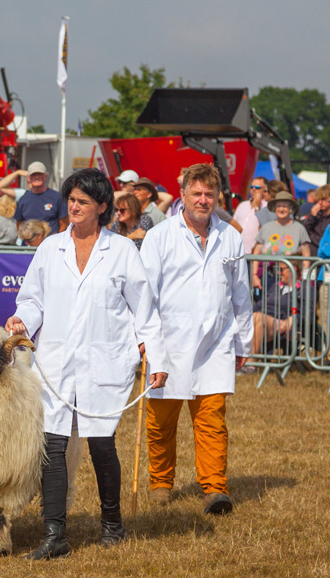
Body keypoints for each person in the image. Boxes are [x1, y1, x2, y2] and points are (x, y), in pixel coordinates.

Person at [6, 168, 168, 557]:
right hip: (58, 361)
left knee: (100, 444)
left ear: (101, 207)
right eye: (71, 200)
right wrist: (22, 320)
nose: (74, 207)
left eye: (82, 201)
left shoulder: (123, 251)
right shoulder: (50, 248)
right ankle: (54, 535)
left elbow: (144, 311)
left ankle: (112, 525)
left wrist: (156, 356)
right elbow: (32, 299)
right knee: (53, 444)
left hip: (105, 361)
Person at [140, 163, 253, 515]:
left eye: (209, 194)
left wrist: (243, 343)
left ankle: (215, 488)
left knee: (212, 420)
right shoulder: (160, 237)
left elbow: (241, 294)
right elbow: (145, 295)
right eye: (197, 193)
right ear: (183, 195)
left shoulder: (230, 236)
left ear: (217, 196)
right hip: (168, 343)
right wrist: (144, 340)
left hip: (216, 343)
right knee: (160, 421)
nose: (203, 200)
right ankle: (160, 483)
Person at [253, 190, 312, 291]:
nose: (281, 209)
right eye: (279, 206)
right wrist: (254, 276)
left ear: (291, 209)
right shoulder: (266, 227)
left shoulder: (299, 228)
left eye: (284, 206)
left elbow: (306, 254)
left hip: (291, 279)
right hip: (268, 277)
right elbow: (256, 253)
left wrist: (303, 277)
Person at [12, 162, 68, 234]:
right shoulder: (23, 200)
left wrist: (56, 241)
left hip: (51, 243)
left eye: (40, 174)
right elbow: (19, 224)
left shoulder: (57, 197)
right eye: (33, 174)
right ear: (28, 178)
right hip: (29, 243)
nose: (37, 177)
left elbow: (64, 223)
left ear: (46, 176)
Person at [233, 176, 267, 254]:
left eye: (257, 187)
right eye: (251, 187)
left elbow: (265, 228)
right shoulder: (242, 205)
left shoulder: (266, 207)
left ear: (264, 190)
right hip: (237, 252)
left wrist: (257, 207)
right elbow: (233, 225)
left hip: (254, 254)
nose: (254, 189)